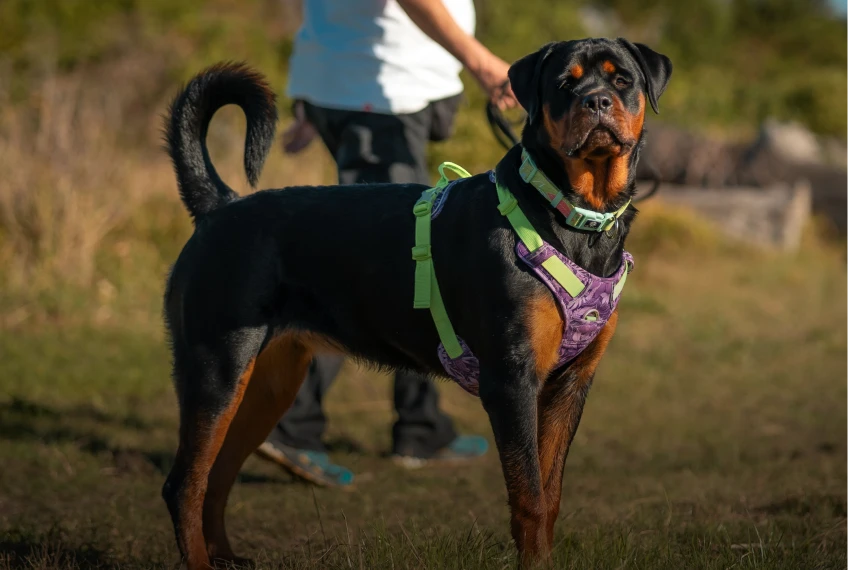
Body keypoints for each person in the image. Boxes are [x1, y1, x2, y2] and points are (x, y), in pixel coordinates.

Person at [254, 0, 517, 487]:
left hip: (356, 89)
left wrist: (319, 91)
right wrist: (478, 59)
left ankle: (421, 424)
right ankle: (291, 423)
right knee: (377, 271)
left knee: (408, 265)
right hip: (377, 95)